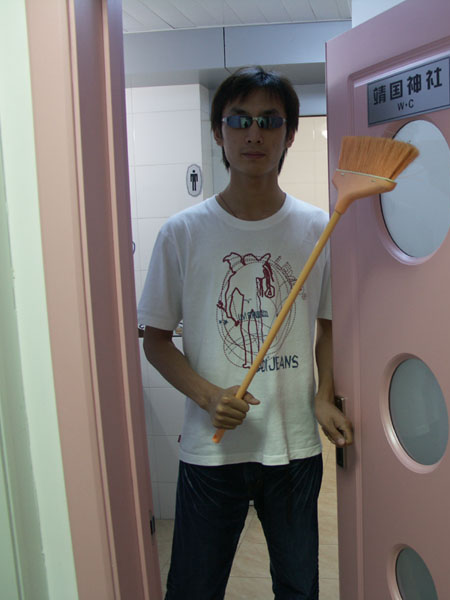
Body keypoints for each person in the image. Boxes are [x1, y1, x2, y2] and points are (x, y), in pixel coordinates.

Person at [138, 66, 353, 600]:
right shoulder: (182, 233)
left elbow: (328, 324)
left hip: (294, 446)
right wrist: (208, 396)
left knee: (299, 589)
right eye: (239, 120)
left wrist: (323, 394)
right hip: (212, 454)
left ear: (289, 134)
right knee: (193, 588)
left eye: (269, 121)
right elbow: (156, 339)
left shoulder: (317, 228)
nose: (253, 133)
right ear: (219, 132)